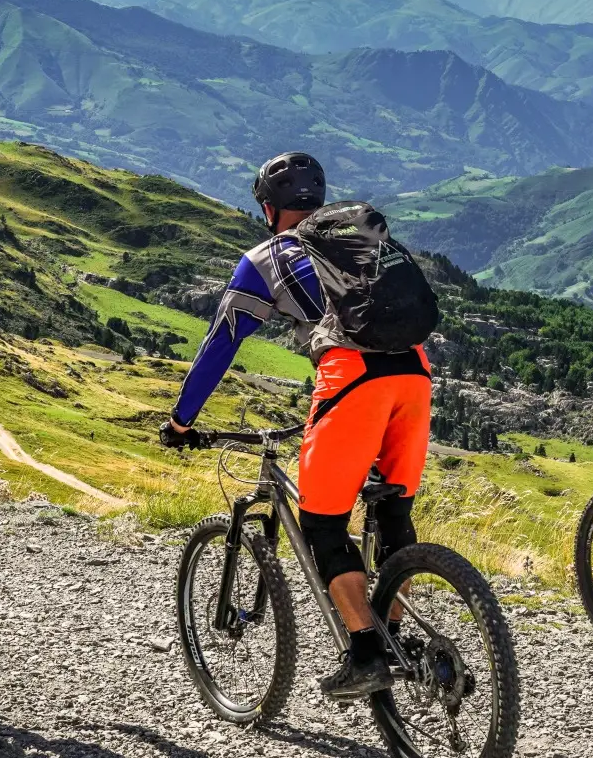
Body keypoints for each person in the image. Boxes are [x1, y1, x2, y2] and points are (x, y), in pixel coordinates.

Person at [160, 152, 431, 700]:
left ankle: (364, 652)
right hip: (416, 371)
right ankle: (401, 638)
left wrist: (181, 420)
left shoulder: (266, 258)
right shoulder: (355, 241)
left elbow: (221, 346)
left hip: (353, 378)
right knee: (393, 509)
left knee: (324, 523)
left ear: (267, 207)